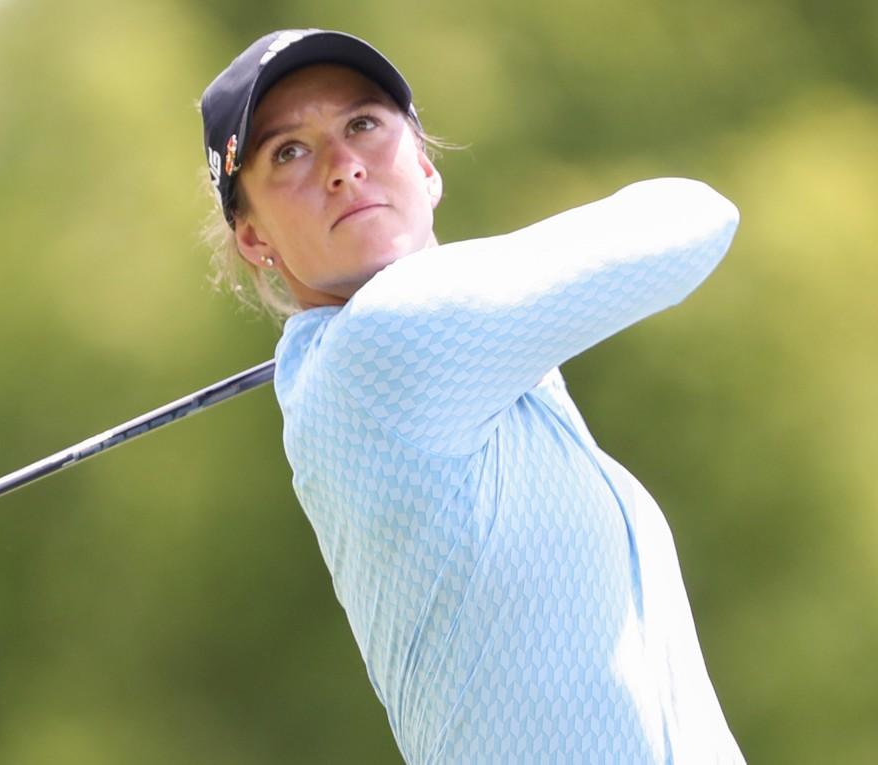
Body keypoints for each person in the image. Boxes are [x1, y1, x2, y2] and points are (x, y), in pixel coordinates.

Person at [200, 29, 746, 763]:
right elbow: (691, 219)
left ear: (424, 166)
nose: (342, 167)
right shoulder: (385, 344)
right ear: (254, 238)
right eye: (288, 152)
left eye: (363, 124)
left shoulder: (435, 361)